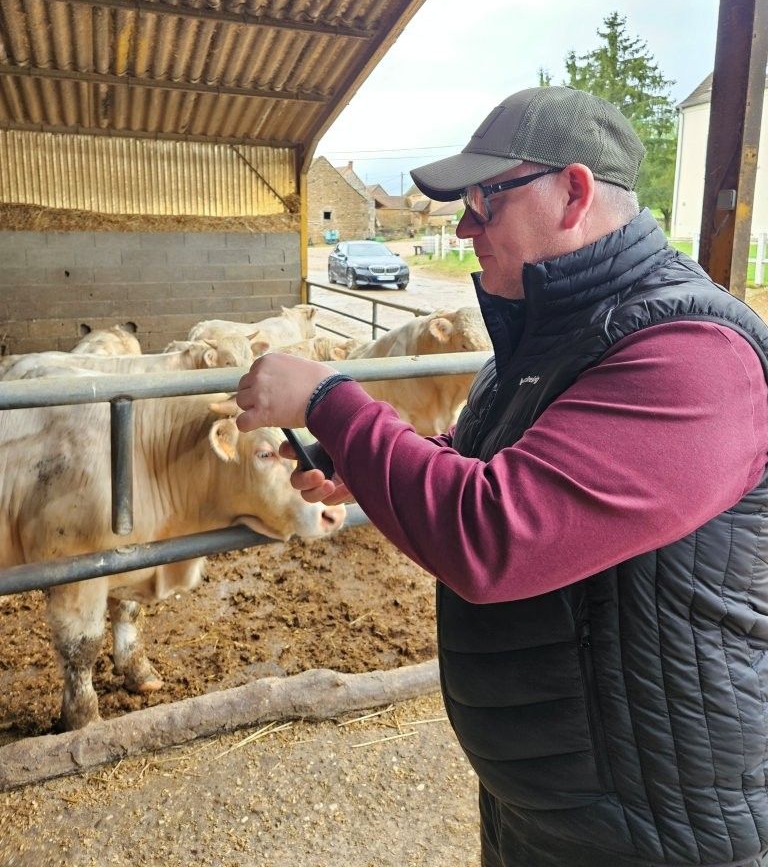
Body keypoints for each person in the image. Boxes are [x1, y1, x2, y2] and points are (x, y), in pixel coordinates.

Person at [235, 86, 768, 867]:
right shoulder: (548, 341)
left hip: (663, 823)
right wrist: (368, 467)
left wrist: (329, 402)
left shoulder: (691, 356)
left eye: (486, 199)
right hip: (553, 805)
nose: (463, 226)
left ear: (574, 194)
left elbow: (497, 535)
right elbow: (491, 464)